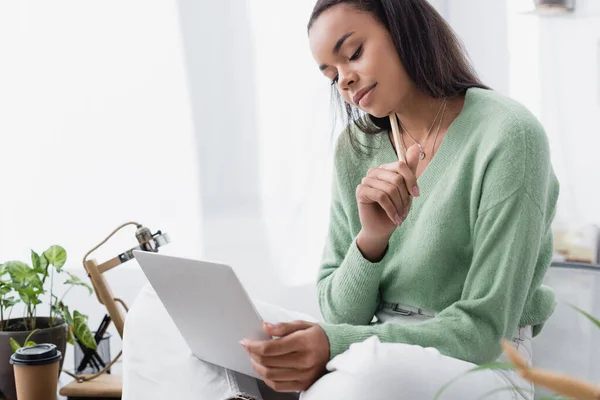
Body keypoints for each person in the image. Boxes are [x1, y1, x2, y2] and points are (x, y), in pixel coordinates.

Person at [123, 0, 559, 399]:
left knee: (364, 376)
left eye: (352, 54)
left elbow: (483, 330)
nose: (345, 80)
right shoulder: (356, 147)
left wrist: (336, 344)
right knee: (156, 312)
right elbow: (340, 311)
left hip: (483, 364)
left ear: (404, 27)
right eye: (332, 74)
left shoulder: (509, 135)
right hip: (372, 343)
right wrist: (372, 239)